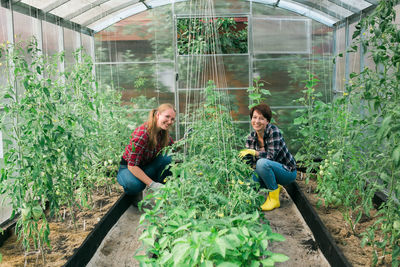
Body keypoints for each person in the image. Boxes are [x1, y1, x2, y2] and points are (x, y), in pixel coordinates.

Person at [239, 103, 296, 211]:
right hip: (266, 172)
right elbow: (250, 164)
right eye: (254, 117)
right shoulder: (251, 138)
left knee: (262, 163)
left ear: (267, 121)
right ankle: (248, 198)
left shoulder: (273, 131)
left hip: (287, 172)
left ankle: (274, 199)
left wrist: (255, 153)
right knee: (247, 182)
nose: (257, 121)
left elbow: (270, 157)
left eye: (261, 118)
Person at [117, 103, 176, 196]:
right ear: (158, 115)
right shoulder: (142, 135)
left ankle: (164, 194)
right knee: (135, 185)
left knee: (168, 158)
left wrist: (186, 140)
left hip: (147, 167)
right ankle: (134, 195)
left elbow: (172, 148)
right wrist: (153, 184)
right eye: (167, 117)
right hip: (129, 169)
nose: (170, 121)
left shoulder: (162, 133)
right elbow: (132, 166)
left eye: (172, 119)